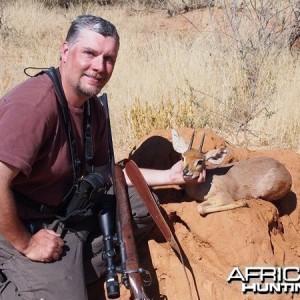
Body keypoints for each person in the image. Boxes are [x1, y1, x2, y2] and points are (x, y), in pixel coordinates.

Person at [0, 15, 206, 300]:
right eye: (90, 53)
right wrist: (26, 244)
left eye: (109, 58)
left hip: (66, 211)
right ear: (64, 51)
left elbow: (106, 173)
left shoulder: (91, 108)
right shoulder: (33, 105)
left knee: (145, 204)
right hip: (17, 224)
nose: (100, 66)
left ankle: (65, 267)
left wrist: (170, 177)